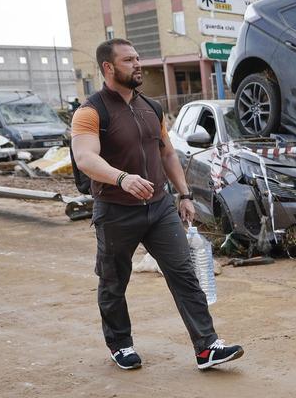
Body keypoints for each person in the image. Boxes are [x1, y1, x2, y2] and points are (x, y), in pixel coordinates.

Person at [71, 38, 244, 371]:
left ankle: (207, 347)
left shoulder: (150, 107)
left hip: (160, 207)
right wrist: (122, 178)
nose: (138, 65)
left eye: (138, 58)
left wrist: (185, 194)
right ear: (108, 68)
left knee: (184, 274)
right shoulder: (90, 111)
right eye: (128, 60)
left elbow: (166, 153)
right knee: (113, 281)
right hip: (115, 209)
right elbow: (84, 157)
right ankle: (120, 344)